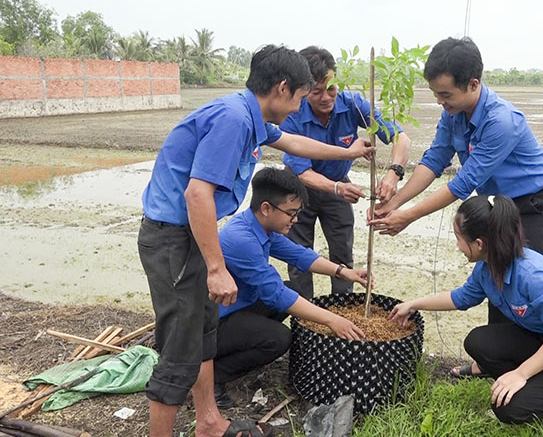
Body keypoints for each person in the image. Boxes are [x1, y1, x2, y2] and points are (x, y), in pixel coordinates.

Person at [138, 44, 375, 437]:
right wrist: (216, 268)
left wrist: (348, 151)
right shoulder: (233, 120)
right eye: (301, 96)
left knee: (205, 330)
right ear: (283, 88)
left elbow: (296, 145)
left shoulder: (252, 117)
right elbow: (197, 195)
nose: (301, 107)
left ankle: (209, 422)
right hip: (174, 240)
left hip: (195, 233)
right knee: (181, 345)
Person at [369, 37, 543, 326]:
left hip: (531, 203)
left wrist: (407, 216)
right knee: (496, 272)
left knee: (518, 278)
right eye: (435, 93)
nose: (439, 101)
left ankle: (528, 357)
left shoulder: (501, 121)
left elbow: (462, 184)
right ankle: (498, 352)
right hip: (498, 203)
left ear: (473, 84)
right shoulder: (453, 113)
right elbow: (434, 160)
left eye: (445, 94)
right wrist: (394, 203)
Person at [389, 195, 543, 436]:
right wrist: (413, 304)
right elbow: (461, 298)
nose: (458, 246)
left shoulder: (534, 275)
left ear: (479, 243)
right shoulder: (487, 267)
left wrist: (520, 374)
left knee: (509, 408)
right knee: (478, 342)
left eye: (459, 239)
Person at [213, 167, 368, 409]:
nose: (295, 220)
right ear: (266, 208)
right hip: (212, 323)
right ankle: (214, 375)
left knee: (293, 287)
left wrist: (343, 271)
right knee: (278, 338)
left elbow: (298, 255)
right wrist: (332, 320)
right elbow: (276, 295)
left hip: (236, 307)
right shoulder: (241, 239)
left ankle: (241, 348)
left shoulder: (259, 225)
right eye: (291, 213)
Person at [281, 46, 410, 299]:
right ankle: (303, 313)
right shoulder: (292, 114)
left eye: (331, 88)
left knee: (342, 254)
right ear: (304, 89)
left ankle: (342, 309)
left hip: (338, 188)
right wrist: (338, 188)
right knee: (299, 255)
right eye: (316, 91)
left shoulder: (353, 105)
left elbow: (400, 138)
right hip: (298, 189)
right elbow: (303, 172)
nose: (326, 97)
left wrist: (394, 172)